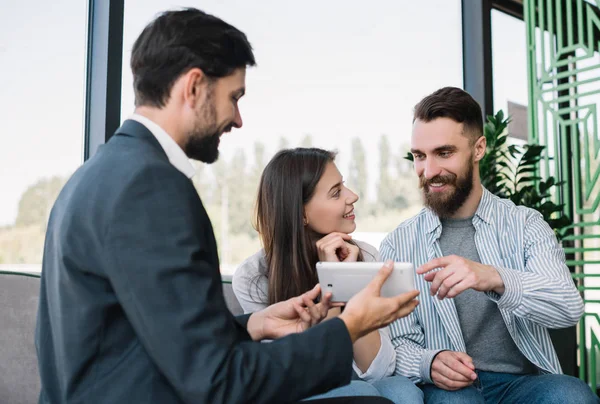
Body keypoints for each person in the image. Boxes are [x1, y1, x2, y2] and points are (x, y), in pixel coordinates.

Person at [34, 8, 420, 404]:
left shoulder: (92, 177)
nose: (237, 119)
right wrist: (350, 325)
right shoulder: (151, 187)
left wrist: (253, 324)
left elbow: (150, 340)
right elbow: (218, 383)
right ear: (194, 87)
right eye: (233, 97)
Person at [374, 86, 599, 403]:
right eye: (419, 156)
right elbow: (396, 344)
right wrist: (429, 362)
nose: (429, 170)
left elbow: (567, 307)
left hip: (521, 385)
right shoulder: (398, 244)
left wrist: (495, 277)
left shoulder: (525, 224)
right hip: (448, 389)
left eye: (445, 153)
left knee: (571, 395)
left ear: (478, 149)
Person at [232, 148, 424, 403]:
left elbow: (380, 369)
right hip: (298, 389)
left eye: (344, 186)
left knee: (403, 391)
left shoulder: (365, 255)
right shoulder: (253, 277)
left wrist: (348, 275)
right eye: (336, 192)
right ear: (300, 213)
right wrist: (331, 281)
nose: (353, 196)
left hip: (363, 382)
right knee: (360, 392)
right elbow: (297, 374)